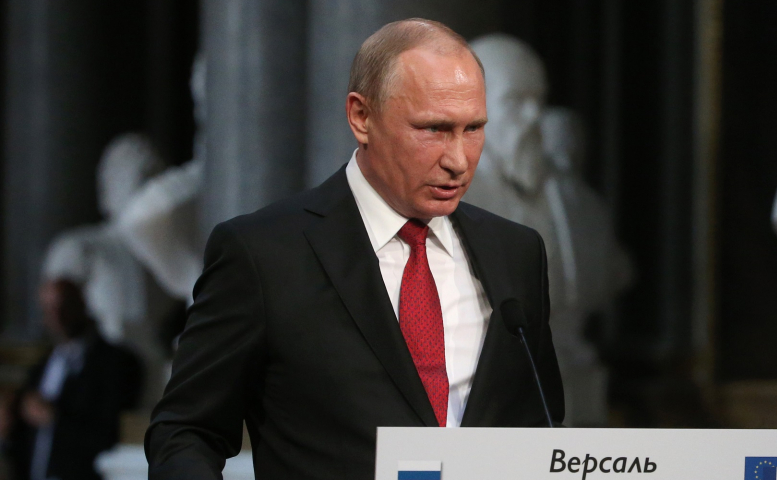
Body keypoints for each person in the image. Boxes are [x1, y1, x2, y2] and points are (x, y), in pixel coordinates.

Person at [146, 18, 563, 479]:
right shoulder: (263, 254)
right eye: (435, 129)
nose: (458, 159)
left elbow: (539, 427)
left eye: (473, 129)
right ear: (362, 117)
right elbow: (186, 430)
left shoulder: (517, 253)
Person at [3, 279, 143, 480]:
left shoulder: (116, 362)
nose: (57, 316)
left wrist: (54, 418)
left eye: (63, 306)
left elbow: (109, 430)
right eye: (48, 309)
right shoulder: (42, 367)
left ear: (81, 304)